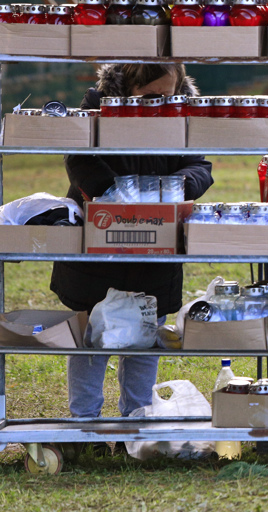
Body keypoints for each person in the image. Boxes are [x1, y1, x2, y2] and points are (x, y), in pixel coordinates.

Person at [52, 63, 213, 419]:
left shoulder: (181, 112)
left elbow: (200, 164)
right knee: (91, 342)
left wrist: (176, 186)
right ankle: (84, 424)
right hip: (99, 239)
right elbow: (79, 158)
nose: (163, 104)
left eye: (170, 96)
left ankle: (137, 423)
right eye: (153, 96)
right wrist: (114, 195)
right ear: (129, 87)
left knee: (146, 338)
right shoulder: (95, 108)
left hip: (156, 246)